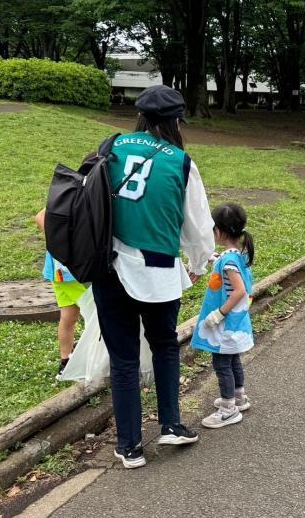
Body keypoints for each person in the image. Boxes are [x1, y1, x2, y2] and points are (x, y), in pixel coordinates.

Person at [91, 85, 215, 468]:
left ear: (140, 116)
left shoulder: (110, 146)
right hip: (157, 270)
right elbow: (198, 227)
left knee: (123, 357)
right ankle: (171, 425)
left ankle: (128, 445)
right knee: (164, 345)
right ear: (176, 121)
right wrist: (197, 264)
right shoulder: (180, 162)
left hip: (108, 266)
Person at [192, 204, 255, 429]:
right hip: (237, 323)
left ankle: (228, 409)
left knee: (222, 364)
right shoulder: (238, 253)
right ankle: (239, 397)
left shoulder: (229, 262)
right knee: (233, 359)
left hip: (226, 323)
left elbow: (238, 290)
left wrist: (219, 314)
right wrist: (214, 259)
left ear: (218, 232)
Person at [34, 212, 86, 379]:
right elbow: (41, 216)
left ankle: (65, 361)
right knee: (98, 316)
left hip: (60, 271)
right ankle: (92, 359)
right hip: (72, 273)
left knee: (69, 316)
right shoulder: (75, 195)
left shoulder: (63, 193)